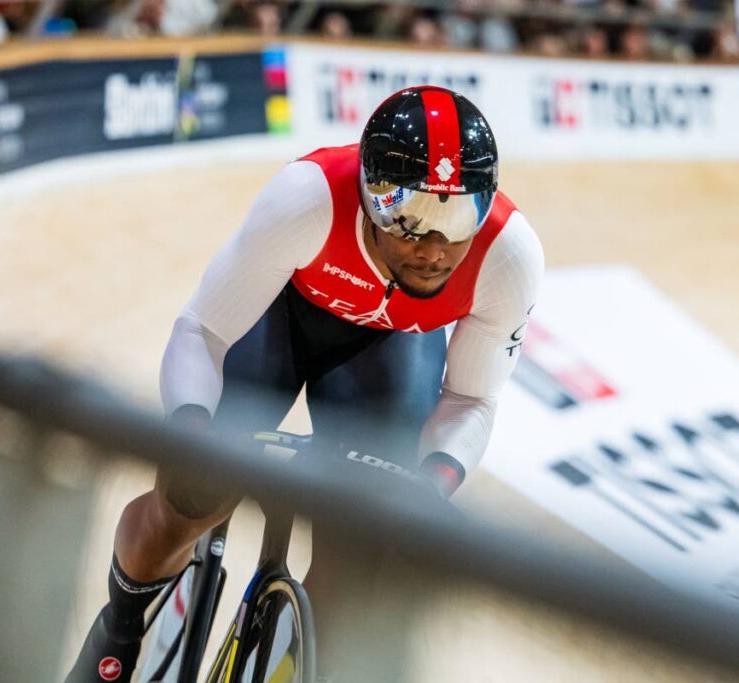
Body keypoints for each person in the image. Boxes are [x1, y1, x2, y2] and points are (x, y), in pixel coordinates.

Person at [66, 85, 544, 682]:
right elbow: (203, 333)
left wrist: (432, 482)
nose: (434, 248)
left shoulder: (509, 255)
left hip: (387, 348)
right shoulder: (309, 196)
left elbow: (473, 398)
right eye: (412, 218)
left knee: (365, 552)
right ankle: (122, 625)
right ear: (371, 197)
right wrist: (191, 427)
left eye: (458, 216)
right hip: (279, 317)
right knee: (189, 501)